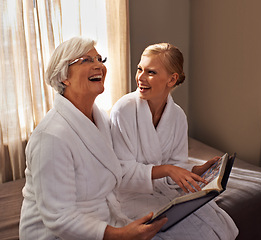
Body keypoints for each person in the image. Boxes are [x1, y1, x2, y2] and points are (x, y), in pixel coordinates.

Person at [19, 37, 167, 240]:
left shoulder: (100, 120)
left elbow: (121, 170)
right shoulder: (50, 138)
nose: (99, 65)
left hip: (102, 222)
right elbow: (59, 217)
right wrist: (120, 235)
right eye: (86, 60)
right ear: (64, 77)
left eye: (99, 59)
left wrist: (179, 171)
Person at [110, 43, 239, 239]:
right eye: (139, 69)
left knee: (216, 226)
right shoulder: (123, 110)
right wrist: (168, 170)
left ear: (172, 79)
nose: (140, 78)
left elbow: (175, 166)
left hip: (163, 191)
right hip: (129, 194)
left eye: (150, 72)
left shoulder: (177, 116)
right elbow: (122, 172)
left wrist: (195, 171)